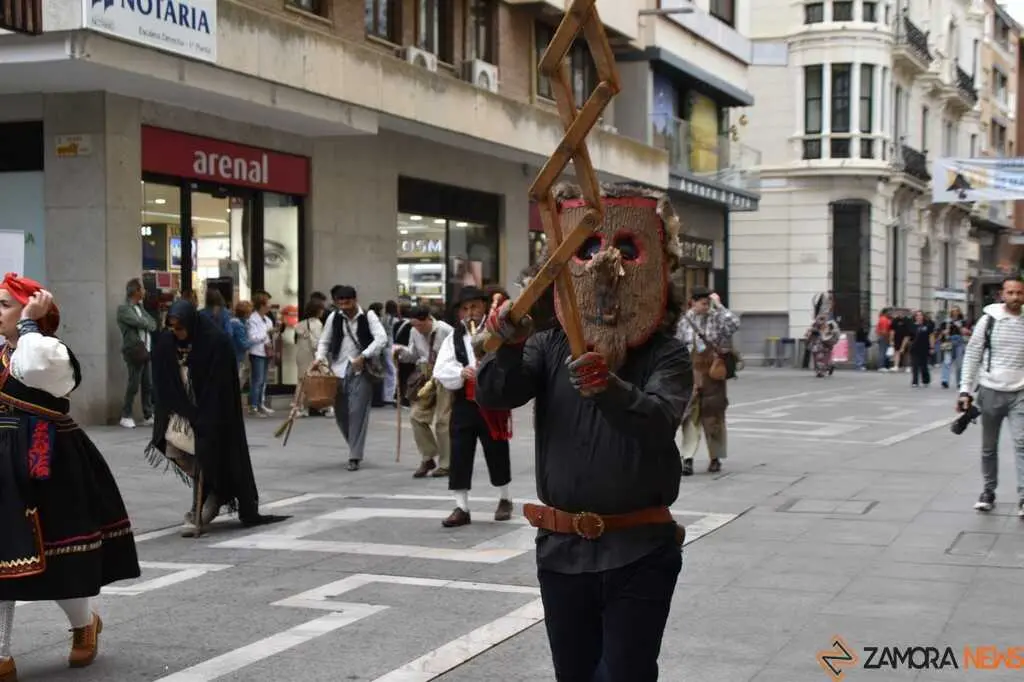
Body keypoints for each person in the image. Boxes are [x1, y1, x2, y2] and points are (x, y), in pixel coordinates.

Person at [476, 184, 691, 681]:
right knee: (572, 675)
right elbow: (495, 395)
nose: (604, 267)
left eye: (627, 251)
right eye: (587, 250)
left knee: (625, 675)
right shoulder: (550, 344)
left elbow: (659, 420)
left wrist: (608, 388)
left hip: (639, 549)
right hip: (561, 549)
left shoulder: (667, 355)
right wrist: (507, 347)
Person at [0, 274, 141, 676]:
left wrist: (29, 322)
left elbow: (33, 367)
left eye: (6, 305)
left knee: (59, 557)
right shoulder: (4, 352)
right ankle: (1, 654)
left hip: (47, 460)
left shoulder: (50, 350)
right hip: (3, 462)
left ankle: (84, 625)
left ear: (34, 312)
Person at [146, 300, 289, 535]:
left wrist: (204, 415)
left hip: (212, 411)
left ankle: (205, 501)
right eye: (172, 327)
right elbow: (162, 378)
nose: (176, 333)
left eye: (180, 328)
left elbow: (220, 386)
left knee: (208, 453)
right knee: (176, 450)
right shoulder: (166, 341)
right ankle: (215, 490)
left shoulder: (215, 342)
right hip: (180, 409)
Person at [433, 287, 513, 526]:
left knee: (496, 450)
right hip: (465, 403)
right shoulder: (453, 338)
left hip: (491, 402)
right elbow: (440, 369)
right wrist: (461, 371)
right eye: (465, 309)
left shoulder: (495, 331)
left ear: (484, 307)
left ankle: (505, 498)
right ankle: (461, 507)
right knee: (459, 453)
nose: (470, 313)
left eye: (475, 307)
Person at [958, 277, 1024, 516]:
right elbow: (972, 355)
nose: (1015, 297)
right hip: (990, 391)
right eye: (1011, 293)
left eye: (1019, 293)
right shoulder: (988, 321)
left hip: (1020, 393)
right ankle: (988, 492)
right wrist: (965, 390)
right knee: (989, 447)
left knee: (1022, 445)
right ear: (1002, 294)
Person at [314, 285, 388, 471]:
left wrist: (364, 356)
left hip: (361, 371)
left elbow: (381, 339)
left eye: (348, 303)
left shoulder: (369, 316)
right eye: (341, 304)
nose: (345, 307)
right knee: (341, 414)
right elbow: (325, 340)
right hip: (338, 370)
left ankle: (354, 455)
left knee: (357, 413)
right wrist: (319, 358)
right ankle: (354, 445)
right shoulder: (334, 317)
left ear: (355, 300)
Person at [677, 287, 741, 474]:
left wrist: (719, 306)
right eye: (702, 302)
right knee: (689, 417)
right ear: (693, 302)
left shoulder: (717, 317)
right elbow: (677, 344)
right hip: (691, 375)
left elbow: (735, 324)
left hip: (714, 374)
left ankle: (715, 457)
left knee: (714, 417)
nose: (705, 305)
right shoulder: (684, 321)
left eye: (707, 302)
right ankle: (687, 458)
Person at [393, 306, 454, 478]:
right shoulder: (414, 331)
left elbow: (458, 353)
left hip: (444, 375)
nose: (418, 329)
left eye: (420, 325)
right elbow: (413, 354)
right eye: (414, 326)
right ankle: (428, 456)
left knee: (443, 420)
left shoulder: (445, 330)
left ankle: (446, 463)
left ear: (428, 319)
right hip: (425, 375)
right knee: (416, 416)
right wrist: (401, 353)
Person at [116, 278, 157, 429]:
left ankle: (148, 414)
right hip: (134, 351)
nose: (145, 291)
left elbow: (153, 324)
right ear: (136, 291)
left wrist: (144, 322)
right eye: (143, 289)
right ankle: (125, 415)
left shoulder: (141, 308)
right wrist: (144, 322)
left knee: (148, 383)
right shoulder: (123, 309)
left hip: (146, 350)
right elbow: (138, 322)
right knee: (134, 383)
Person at [294, 298, 325, 418]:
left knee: (301, 382)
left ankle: (299, 407)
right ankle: (321, 406)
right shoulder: (317, 324)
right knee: (319, 381)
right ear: (318, 311)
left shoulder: (301, 324)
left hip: (302, 355)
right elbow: (317, 343)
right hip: (313, 356)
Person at [246, 292, 276, 417]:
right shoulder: (252, 319)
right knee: (257, 380)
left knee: (263, 380)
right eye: (268, 303)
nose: (270, 305)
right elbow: (252, 338)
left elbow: (268, 336)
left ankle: (260, 403)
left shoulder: (268, 320)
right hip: (256, 352)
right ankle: (253, 406)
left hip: (266, 352)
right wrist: (266, 334)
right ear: (262, 305)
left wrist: (272, 334)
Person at [939, 306, 969, 389]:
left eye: (956, 311)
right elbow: (940, 333)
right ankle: (945, 380)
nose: (955, 313)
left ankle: (959, 382)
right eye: (953, 311)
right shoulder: (946, 322)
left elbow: (967, 332)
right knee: (947, 361)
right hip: (949, 342)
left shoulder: (963, 321)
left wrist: (960, 327)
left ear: (959, 312)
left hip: (959, 342)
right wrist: (944, 332)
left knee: (959, 364)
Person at [804, 313, 839, 378]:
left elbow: (835, 333)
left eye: (822, 319)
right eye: (820, 319)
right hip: (818, 344)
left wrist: (829, 332)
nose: (820, 321)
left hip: (825, 345)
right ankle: (824, 368)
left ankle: (822, 370)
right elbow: (808, 333)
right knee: (819, 358)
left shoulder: (829, 325)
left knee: (822, 358)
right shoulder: (815, 325)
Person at [908, 310, 935, 387]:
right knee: (915, 365)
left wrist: (932, 347)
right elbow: (909, 337)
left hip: (924, 347)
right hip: (914, 348)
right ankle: (915, 381)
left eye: (920, 315)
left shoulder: (927, 326)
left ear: (923, 317)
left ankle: (925, 380)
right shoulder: (912, 326)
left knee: (924, 365)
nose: (919, 317)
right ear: (915, 317)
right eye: (917, 315)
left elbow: (931, 336)